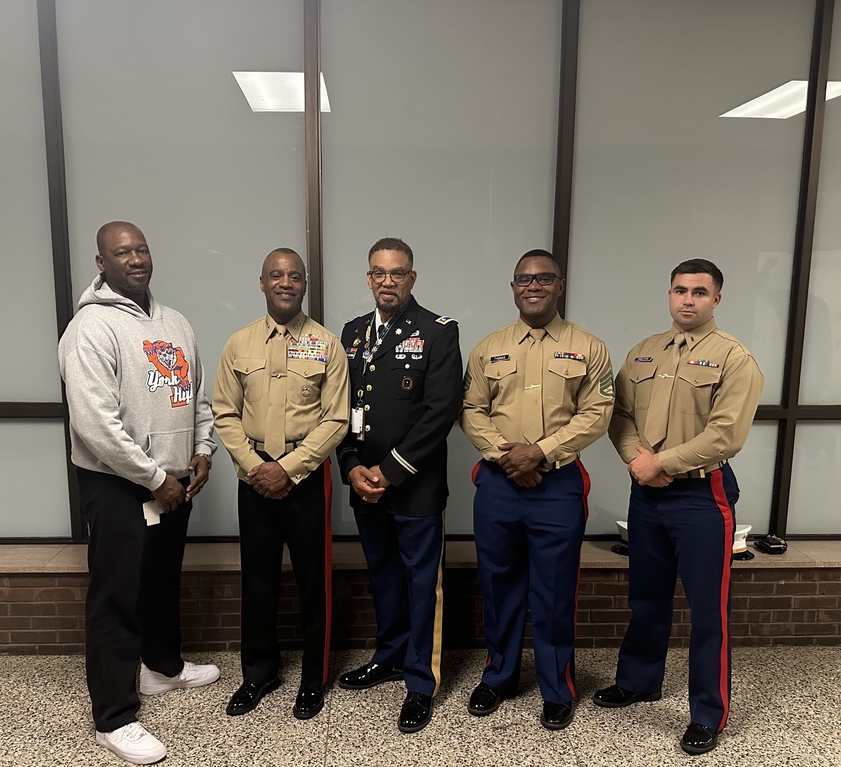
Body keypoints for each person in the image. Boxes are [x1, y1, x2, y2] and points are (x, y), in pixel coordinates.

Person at [57, 221, 220, 766]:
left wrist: (203, 450)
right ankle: (114, 718)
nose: (136, 259)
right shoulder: (90, 328)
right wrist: (155, 479)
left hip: (174, 481)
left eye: (142, 249)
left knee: (160, 581)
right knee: (116, 597)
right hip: (117, 484)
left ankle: (162, 669)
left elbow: (196, 397)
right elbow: (95, 425)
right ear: (101, 263)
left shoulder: (176, 323)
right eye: (122, 252)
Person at [595, 258, 764, 755]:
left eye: (699, 291)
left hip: (701, 495)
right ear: (669, 294)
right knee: (646, 596)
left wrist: (662, 462)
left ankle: (708, 713)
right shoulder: (643, 352)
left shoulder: (734, 358)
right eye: (680, 290)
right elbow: (618, 414)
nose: (688, 299)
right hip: (646, 492)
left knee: (708, 609)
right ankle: (639, 681)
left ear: (716, 299)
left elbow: (726, 434)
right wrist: (637, 461)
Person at [461, 249, 613, 730]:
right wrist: (505, 456)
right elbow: (471, 410)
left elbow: (597, 414)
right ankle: (499, 676)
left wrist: (541, 451)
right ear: (513, 287)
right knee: (498, 585)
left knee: (554, 591)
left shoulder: (589, 347)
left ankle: (556, 687)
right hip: (499, 483)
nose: (534, 286)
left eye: (544, 278)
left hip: (557, 486)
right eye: (524, 279)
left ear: (559, 285)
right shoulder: (488, 348)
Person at [212, 248, 348, 721]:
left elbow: (336, 418)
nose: (285, 283)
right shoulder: (239, 343)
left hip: (306, 477)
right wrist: (257, 467)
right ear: (262, 283)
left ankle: (313, 679)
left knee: (314, 583)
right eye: (276, 275)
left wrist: (288, 468)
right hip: (254, 477)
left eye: (294, 276)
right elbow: (224, 413)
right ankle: (259, 674)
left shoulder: (327, 345)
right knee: (258, 580)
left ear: (304, 284)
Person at [335, 238, 463, 734]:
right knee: (384, 577)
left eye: (397, 273)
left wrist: (389, 471)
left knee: (421, 584)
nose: (387, 281)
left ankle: (421, 682)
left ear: (412, 277)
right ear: (368, 278)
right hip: (365, 486)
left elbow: (440, 412)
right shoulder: (352, 333)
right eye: (379, 272)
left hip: (414, 487)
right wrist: (351, 466)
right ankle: (388, 656)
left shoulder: (438, 331)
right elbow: (342, 407)